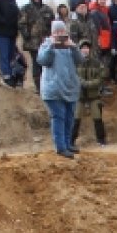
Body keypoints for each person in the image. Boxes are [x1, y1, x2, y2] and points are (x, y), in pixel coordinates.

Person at [37, 20, 83, 157]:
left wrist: (74, 47)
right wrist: (51, 47)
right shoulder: (46, 45)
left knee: (69, 117)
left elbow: (80, 60)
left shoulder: (70, 46)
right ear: (52, 33)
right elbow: (43, 61)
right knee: (59, 117)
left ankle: (68, 144)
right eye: (57, 32)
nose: (60, 34)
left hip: (70, 87)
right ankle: (61, 147)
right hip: (53, 88)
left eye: (62, 32)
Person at [73, 39, 107, 145]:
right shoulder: (75, 62)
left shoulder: (96, 62)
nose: (85, 50)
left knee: (97, 117)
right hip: (79, 95)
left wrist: (89, 84)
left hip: (94, 95)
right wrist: (81, 82)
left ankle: (101, 140)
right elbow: (72, 76)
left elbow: (102, 76)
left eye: (87, 48)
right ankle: (71, 140)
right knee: (76, 118)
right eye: (83, 48)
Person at [20, 0, 55, 91]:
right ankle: (39, 87)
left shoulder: (47, 9)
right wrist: (27, 35)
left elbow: (53, 24)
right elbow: (21, 24)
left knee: (46, 63)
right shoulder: (26, 9)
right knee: (36, 63)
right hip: (33, 43)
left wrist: (51, 37)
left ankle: (47, 85)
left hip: (46, 42)